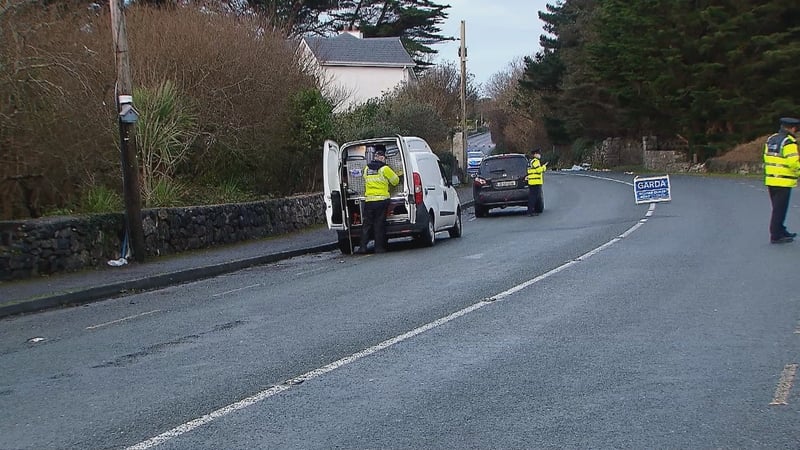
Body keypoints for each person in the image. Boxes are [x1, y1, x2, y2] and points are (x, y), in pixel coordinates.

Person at [355, 145, 400, 254]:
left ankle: (362, 247)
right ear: (382, 158)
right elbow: (395, 181)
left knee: (366, 225)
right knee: (379, 225)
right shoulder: (385, 169)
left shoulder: (367, 168)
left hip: (369, 201)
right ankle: (379, 248)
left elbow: (365, 179)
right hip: (381, 200)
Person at [764, 117, 800, 244]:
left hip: (771, 179)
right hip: (783, 180)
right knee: (780, 209)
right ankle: (776, 235)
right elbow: (793, 162)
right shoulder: (788, 142)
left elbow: (766, 157)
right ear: (792, 128)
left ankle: (781, 229)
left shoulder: (771, 139)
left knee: (777, 207)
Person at [526, 149, 547, 216]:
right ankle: (530, 212)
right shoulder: (536, 161)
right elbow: (539, 170)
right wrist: (544, 167)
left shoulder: (531, 161)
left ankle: (530, 211)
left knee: (533, 197)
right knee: (534, 197)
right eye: (538, 153)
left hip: (532, 181)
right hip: (535, 181)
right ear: (535, 154)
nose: (539, 155)